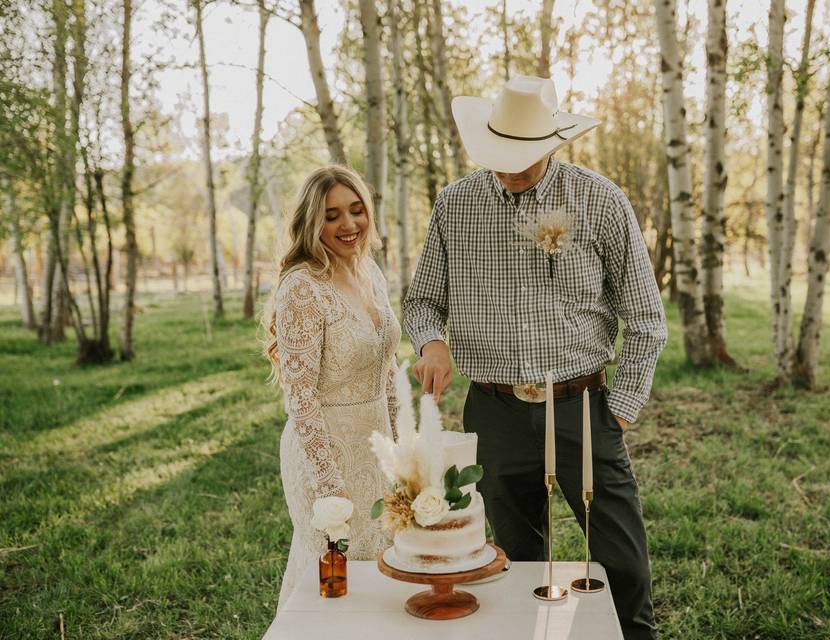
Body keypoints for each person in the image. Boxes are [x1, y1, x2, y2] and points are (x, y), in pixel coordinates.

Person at [403, 75, 667, 640]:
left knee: (621, 559)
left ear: (553, 144)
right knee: (519, 563)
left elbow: (645, 317)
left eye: (525, 156)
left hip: (583, 406)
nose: (511, 167)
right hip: (493, 414)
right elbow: (422, 301)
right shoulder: (455, 205)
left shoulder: (600, 199)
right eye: (502, 154)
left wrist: (617, 410)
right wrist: (433, 343)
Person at [263, 165, 400, 611]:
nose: (348, 225)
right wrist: (328, 482)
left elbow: (388, 369)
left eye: (356, 211)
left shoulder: (371, 272)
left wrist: (399, 451)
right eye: (332, 215)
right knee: (332, 581)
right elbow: (300, 395)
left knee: (383, 575)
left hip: (377, 451)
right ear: (311, 222)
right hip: (327, 455)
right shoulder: (302, 287)